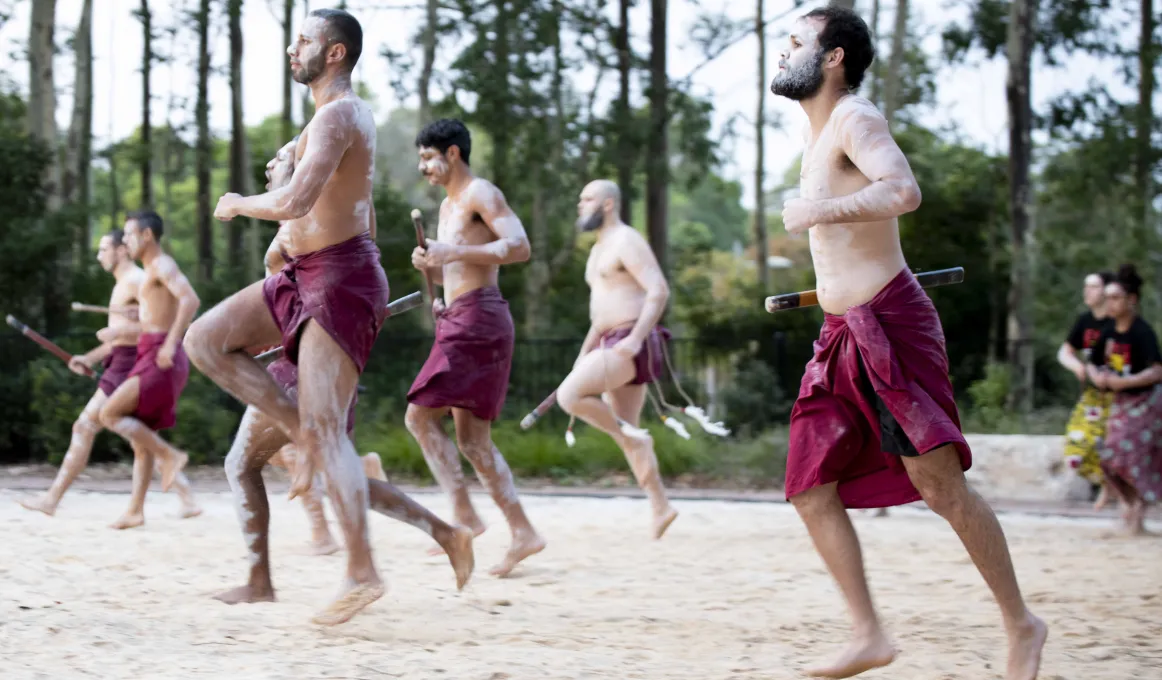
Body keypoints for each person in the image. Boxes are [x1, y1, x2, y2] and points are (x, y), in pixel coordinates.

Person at [769, 6, 1046, 679]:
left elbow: (903, 190)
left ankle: (1023, 624)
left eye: (796, 42)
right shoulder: (817, 138)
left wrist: (821, 210)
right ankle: (869, 634)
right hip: (839, 335)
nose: (782, 53)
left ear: (834, 57)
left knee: (940, 487)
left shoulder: (855, 120)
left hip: (889, 321)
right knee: (809, 487)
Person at [185, 8, 465, 626]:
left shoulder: (341, 113)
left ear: (334, 53)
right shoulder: (325, 121)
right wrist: (288, 228)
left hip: (337, 277)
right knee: (204, 339)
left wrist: (240, 203)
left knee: (325, 432)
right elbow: (344, 212)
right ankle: (305, 443)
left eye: (305, 40)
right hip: (309, 275)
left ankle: (362, 571)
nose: (294, 48)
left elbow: (299, 200)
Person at [205, 139, 473, 604]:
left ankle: (260, 582)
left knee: (246, 464)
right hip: (307, 355)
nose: (272, 160)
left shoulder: (311, 226)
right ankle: (447, 534)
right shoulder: (301, 231)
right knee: (334, 472)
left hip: (306, 365)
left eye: (283, 155)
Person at [407, 118, 545, 578]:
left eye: (428, 156)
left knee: (419, 416)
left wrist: (453, 254)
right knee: (471, 441)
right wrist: (433, 270)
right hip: (462, 317)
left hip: (481, 320)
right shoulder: (448, 207)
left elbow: (520, 246)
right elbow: (456, 264)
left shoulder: (481, 193)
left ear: (452, 153)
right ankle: (522, 531)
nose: (422, 166)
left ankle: (465, 514)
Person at [17, 231, 200, 519]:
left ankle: (52, 499)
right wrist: (88, 357)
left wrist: (123, 331)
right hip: (120, 360)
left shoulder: (137, 280)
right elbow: (119, 338)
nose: (99, 255)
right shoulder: (123, 284)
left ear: (121, 251)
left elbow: (154, 325)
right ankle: (185, 497)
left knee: (86, 426)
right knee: (140, 439)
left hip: (131, 363)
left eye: (104, 249)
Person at [553, 179, 678, 539]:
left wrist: (636, 340)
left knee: (569, 396)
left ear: (608, 204)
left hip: (629, 341)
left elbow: (658, 289)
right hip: (607, 339)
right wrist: (583, 355)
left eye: (587, 198)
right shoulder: (597, 251)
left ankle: (637, 445)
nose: (580, 204)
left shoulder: (627, 240)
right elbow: (599, 316)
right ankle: (661, 506)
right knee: (627, 429)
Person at [97, 212, 201, 530]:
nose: (125, 242)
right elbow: (155, 318)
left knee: (109, 414)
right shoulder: (149, 273)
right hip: (150, 353)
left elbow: (190, 300)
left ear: (146, 236)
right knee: (141, 440)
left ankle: (170, 456)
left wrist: (171, 344)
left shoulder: (162, 265)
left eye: (129, 236)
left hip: (161, 357)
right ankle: (135, 511)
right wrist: (134, 319)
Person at [1086, 264, 1162, 536]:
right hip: (1120, 404)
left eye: (1116, 297)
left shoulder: (1142, 332)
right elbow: (1092, 362)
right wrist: (1098, 377)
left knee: (1133, 458)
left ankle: (1137, 514)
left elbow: (1157, 369)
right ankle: (1130, 504)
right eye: (1108, 298)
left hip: (1146, 403)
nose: (1110, 303)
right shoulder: (1108, 331)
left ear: (1132, 300)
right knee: (1109, 458)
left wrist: (1125, 382)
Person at [1057, 271, 1115, 508]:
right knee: (1075, 451)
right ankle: (1107, 484)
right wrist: (1079, 367)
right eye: (1086, 286)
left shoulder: (1117, 322)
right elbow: (1064, 352)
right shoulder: (1085, 321)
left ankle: (1120, 492)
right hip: (1093, 396)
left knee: (1113, 447)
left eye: (1093, 286)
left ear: (1106, 291)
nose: (1087, 291)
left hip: (1119, 396)